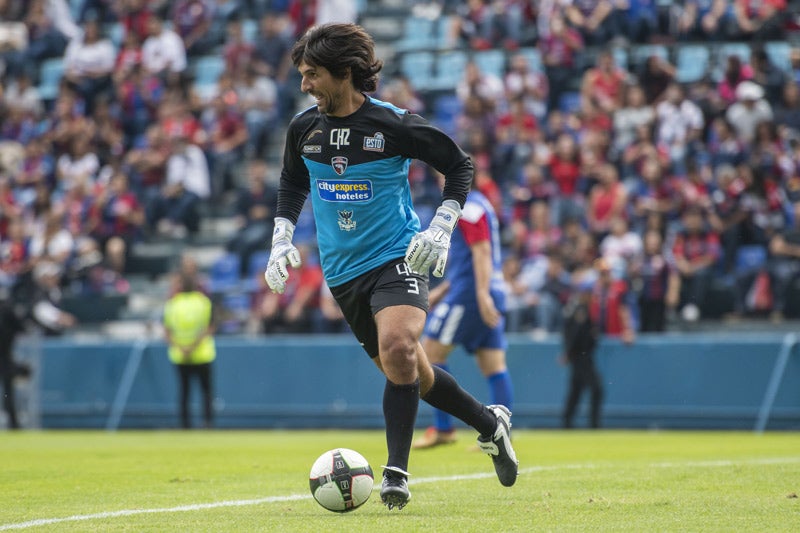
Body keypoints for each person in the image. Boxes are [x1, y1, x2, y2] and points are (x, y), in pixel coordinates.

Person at [264, 23, 518, 510]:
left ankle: (395, 475)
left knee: (399, 343)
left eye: (312, 74)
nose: (304, 85)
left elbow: (459, 165)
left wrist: (442, 226)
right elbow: (292, 183)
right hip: (343, 274)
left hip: (398, 256)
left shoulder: (393, 124)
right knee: (414, 374)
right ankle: (491, 424)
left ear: (343, 73)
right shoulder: (303, 128)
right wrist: (280, 239)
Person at [412, 181, 513, 449]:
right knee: (493, 364)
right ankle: (502, 433)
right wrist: (445, 290)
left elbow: (482, 251)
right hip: (481, 290)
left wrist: (480, 293)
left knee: (430, 354)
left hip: (471, 294)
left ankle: (444, 428)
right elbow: (473, 257)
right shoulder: (482, 205)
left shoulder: (467, 207)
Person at [163, 271, 216, 429]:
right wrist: (193, 347)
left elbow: (167, 332)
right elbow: (210, 327)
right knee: (206, 391)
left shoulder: (172, 304)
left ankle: (185, 425)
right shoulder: (203, 302)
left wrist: (182, 348)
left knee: (184, 392)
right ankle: (208, 423)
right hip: (202, 354)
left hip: (180, 355)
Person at [559, 281, 603, 429]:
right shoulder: (580, 310)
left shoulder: (581, 309)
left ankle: (567, 422)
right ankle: (593, 423)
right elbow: (574, 334)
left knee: (576, 390)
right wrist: (568, 352)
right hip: (581, 357)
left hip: (581, 356)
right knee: (596, 388)